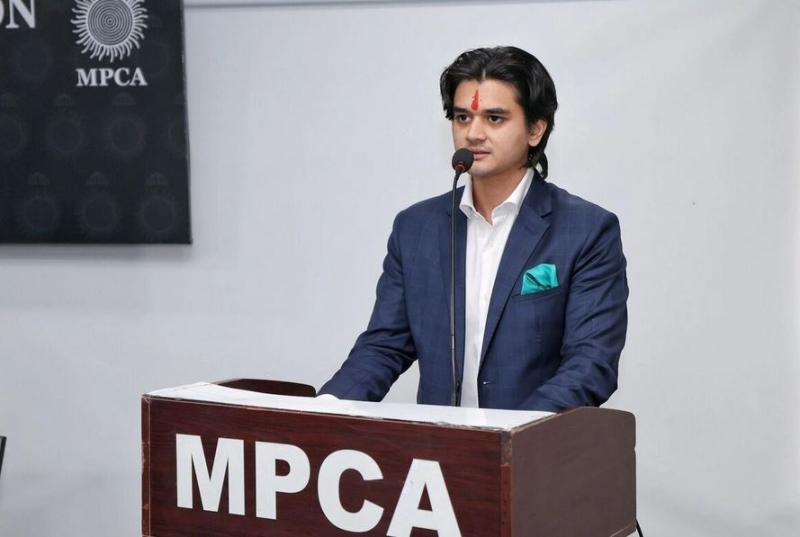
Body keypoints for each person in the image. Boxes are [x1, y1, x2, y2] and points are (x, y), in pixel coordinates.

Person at [318, 46, 628, 412]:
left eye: (494, 118)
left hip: (533, 443)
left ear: (535, 129)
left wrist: (509, 434)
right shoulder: (415, 228)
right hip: (440, 445)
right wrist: (323, 411)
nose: (473, 134)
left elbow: (590, 364)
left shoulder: (586, 231)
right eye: (462, 118)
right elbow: (383, 346)